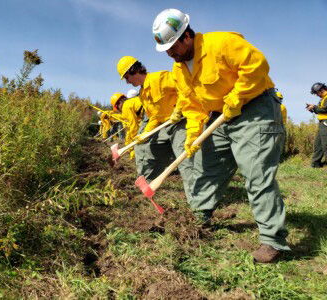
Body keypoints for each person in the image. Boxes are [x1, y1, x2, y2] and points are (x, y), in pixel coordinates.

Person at [152, 8, 289, 263]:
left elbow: (257, 65)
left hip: (254, 108)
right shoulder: (180, 70)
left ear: (186, 36)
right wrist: (193, 134)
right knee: (207, 167)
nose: (170, 53)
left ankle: (273, 240)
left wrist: (237, 97)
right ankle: (198, 219)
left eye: (173, 46)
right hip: (219, 117)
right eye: (166, 50)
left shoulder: (222, 43)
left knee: (256, 173)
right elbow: (191, 106)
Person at [117, 55, 196, 201]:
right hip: (165, 125)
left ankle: (197, 203)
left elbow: (185, 87)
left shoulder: (160, 78)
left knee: (184, 161)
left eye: (127, 77)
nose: (127, 82)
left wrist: (178, 109)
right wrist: (146, 133)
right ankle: (146, 184)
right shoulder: (143, 94)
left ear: (133, 70)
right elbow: (154, 117)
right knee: (151, 150)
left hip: (181, 122)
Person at [111, 90, 143, 160]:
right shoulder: (132, 102)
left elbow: (134, 126)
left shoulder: (126, 106)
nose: (119, 110)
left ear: (119, 103)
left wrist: (134, 140)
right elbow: (124, 117)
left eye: (117, 108)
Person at [306, 82, 327, 168]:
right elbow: (321, 110)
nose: (316, 95)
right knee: (318, 144)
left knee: (326, 144)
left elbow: (325, 109)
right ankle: (315, 165)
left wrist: (314, 107)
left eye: (316, 93)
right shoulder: (323, 98)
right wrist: (312, 109)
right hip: (322, 123)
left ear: (320, 89)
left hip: (326, 122)